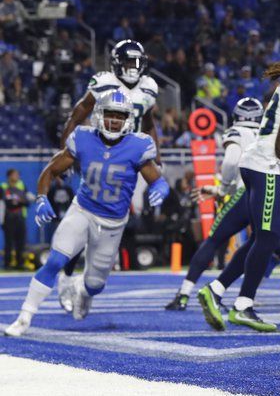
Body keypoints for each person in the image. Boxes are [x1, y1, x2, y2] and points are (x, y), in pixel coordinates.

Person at [4, 90, 169, 337]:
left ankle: (81, 290)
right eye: (110, 114)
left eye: (120, 116)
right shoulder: (82, 137)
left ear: (127, 119)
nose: (114, 120)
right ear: (99, 115)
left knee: (95, 285)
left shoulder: (138, 144)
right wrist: (40, 198)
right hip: (82, 210)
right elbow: (50, 169)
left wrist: (161, 188)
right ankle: (25, 317)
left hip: (113, 223)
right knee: (55, 261)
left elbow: (157, 178)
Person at [196, 42, 280, 332]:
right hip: (270, 167)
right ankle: (243, 305)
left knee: (263, 238)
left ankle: (217, 290)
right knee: (268, 239)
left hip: (262, 164)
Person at [56, 39, 160, 311]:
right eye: (127, 63)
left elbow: (148, 124)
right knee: (88, 215)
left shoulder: (149, 87)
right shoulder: (103, 82)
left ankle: (90, 273)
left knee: (114, 215)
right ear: (116, 63)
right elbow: (78, 115)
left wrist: (156, 155)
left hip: (129, 157)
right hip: (100, 151)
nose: (132, 68)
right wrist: (66, 150)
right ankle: (66, 275)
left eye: (136, 63)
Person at [165, 97, 264, 311]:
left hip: (243, 192)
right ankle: (239, 297)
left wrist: (224, 189)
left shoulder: (237, 132)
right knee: (263, 243)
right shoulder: (268, 133)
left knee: (214, 240)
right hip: (266, 195)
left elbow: (230, 161)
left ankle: (184, 295)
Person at [2, 169, 32, 269]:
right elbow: (7, 203)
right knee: (9, 242)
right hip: (8, 218)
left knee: (21, 242)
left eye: (18, 175)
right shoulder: (3, 187)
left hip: (20, 217)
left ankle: (20, 263)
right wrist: (19, 201)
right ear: (9, 176)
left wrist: (17, 201)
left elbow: (27, 202)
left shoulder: (22, 186)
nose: (17, 176)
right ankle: (7, 264)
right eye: (15, 174)